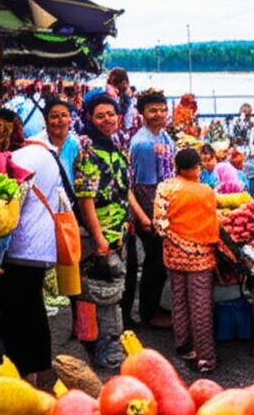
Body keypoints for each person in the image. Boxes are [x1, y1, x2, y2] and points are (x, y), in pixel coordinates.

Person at [0, 137, 68, 378]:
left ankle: (28, 370)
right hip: (34, 245)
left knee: (22, 310)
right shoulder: (43, 154)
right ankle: (34, 368)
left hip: (23, 246)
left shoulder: (26, 157)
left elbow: (14, 196)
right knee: (30, 307)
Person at [72, 91, 131, 369]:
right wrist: (98, 238)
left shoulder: (115, 146)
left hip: (117, 232)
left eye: (111, 114)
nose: (107, 119)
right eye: (100, 115)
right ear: (89, 119)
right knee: (101, 293)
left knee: (109, 290)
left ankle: (104, 344)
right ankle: (103, 349)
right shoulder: (88, 152)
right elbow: (85, 200)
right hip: (99, 235)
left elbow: (122, 189)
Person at [154, 148, 224, 373]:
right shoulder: (205, 192)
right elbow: (213, 221)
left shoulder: (165, 188)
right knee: (200, 305)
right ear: (196, 168)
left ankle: (183, 346)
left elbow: (160, 223)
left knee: (179, 300)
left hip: (173, 255)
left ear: (176, 167)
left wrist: (177, 241)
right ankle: (205, 358)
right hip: (200, 257)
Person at [126, 89, 175, 329]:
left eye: (162, 109)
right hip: (151, 211)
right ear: (142, 113)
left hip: (163, 207)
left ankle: (153, 308)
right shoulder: (144, 143)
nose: (158, 114)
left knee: (159, 261)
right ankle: (149, 313)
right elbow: (144, 188)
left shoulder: (164, 137)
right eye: (152, 110)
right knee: (155, 262)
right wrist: (151, 219)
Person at [30, 98, 80, 182]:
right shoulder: (35, 144)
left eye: (64, 115)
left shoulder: (77, 144)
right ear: (46, 121)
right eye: (54, 117)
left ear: (70, 119)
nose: (60, 120)